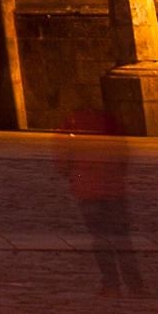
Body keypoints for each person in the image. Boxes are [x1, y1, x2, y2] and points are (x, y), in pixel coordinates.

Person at [56, 113, 142, 294]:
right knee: (121, 238)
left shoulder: (72, 122)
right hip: (113, 188)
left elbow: (62, 160)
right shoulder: (110, 121)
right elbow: (123, 156)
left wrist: (76, 176)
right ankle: (134, 283)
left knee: (100, 238)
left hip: (88, 191)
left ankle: (111, 284)